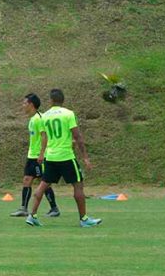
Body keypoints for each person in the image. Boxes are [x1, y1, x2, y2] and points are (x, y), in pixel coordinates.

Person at [26, 89, 102, 228]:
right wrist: (85, 157)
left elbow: (45, 137)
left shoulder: (45, 116)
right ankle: (84, 219)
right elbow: (77, 136)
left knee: (43, 185)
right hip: (66, 156)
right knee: (78, 185)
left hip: (51, 156)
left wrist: (42, 153)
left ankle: (32, 215)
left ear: (51, 100)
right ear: (63, 100)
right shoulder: (68, 114)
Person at [10, 93, 59, 217]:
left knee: (45, 182)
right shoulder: (32, 119)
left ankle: (54, 208)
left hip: (39, 157)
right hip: (31, 156)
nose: (23, 106)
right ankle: (23, 208)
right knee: (27, 180)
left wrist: (42, 154)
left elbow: (44, 136)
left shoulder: (39, 118)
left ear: (31, 105)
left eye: (25, 103)